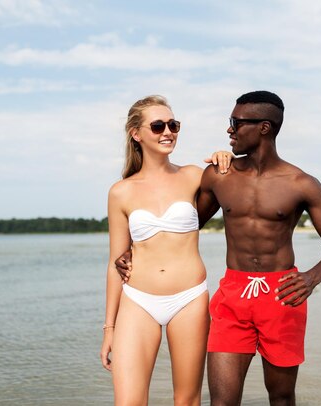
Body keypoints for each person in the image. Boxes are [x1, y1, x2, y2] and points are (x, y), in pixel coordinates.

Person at [117, 90, 321, 406]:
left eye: (236, 123)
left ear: (263, 127)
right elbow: (183, 222)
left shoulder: (301, 183)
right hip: (233, 294)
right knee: (222, 401)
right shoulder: (219, 176)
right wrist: (136, 250)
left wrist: (310, 278)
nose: (230, 129)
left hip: (282, 294)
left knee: (281, 396)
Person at [100, 95, 232, 405]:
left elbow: (234, 192)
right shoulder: (121, 191)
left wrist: (224, 159)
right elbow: (113, 263)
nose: (167, 132)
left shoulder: (194, 176)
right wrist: (109, 328)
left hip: (189, 298)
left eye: (173, 125)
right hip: (137, 300)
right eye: (158, 126)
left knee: (186, 400)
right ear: (136, 133)